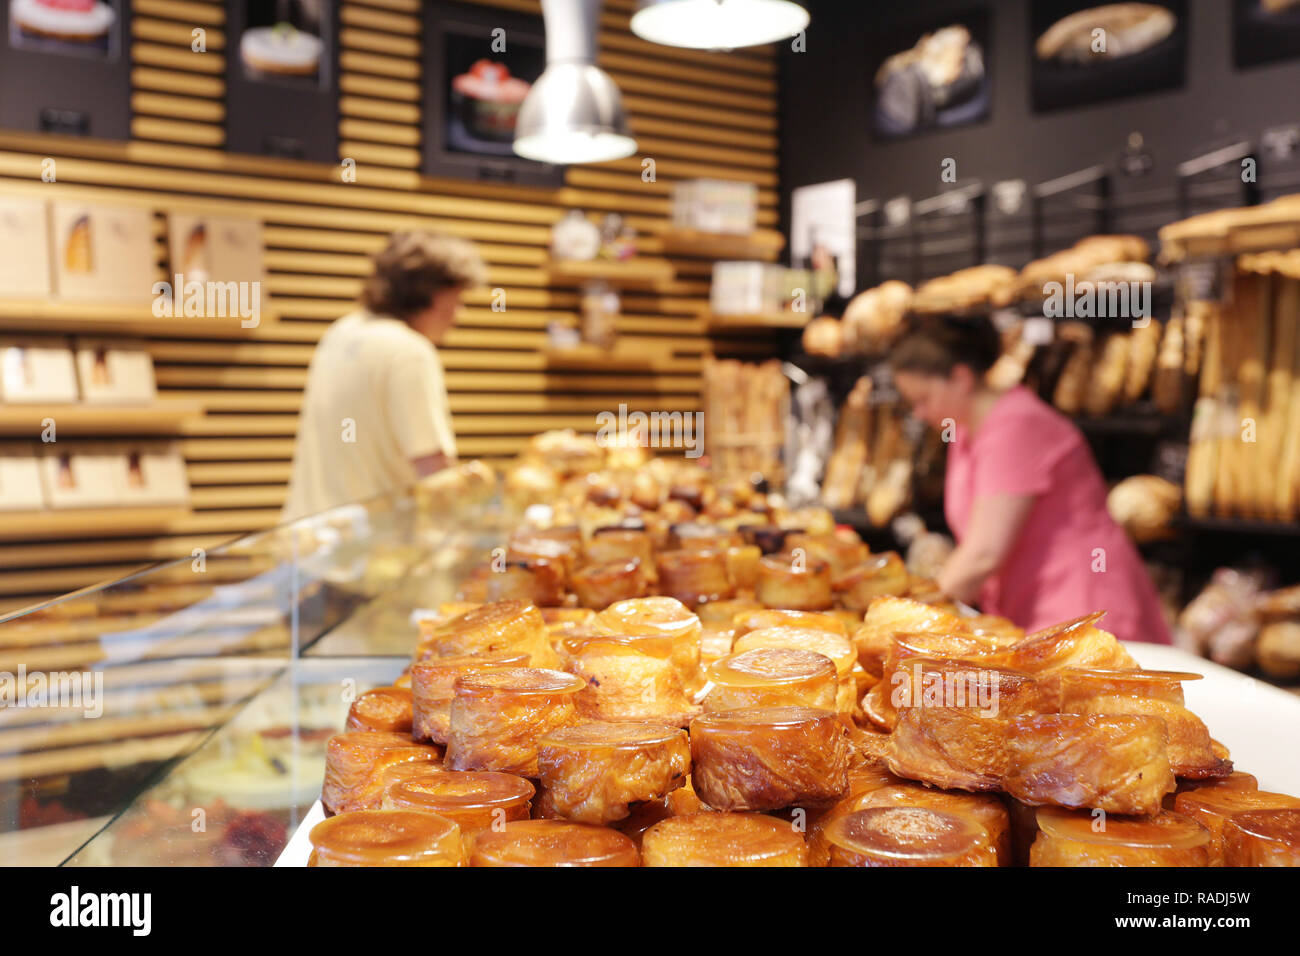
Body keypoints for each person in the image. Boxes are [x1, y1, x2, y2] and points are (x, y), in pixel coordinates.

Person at [890, 314, 1172, 643]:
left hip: (1082, 608)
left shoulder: (1017, 426)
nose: (919, 414)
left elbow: (983, 553)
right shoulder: (964, 433)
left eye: (923, 400)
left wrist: (913, 621)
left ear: (961, 378)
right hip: (1032, 609)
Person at [282, 230, 485, 521]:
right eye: (457, 298)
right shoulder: (410, 352)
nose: (459, 313)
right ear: (432, 293)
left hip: (305, 543)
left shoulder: (342, 331)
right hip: (365, 554)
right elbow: (437, 476)